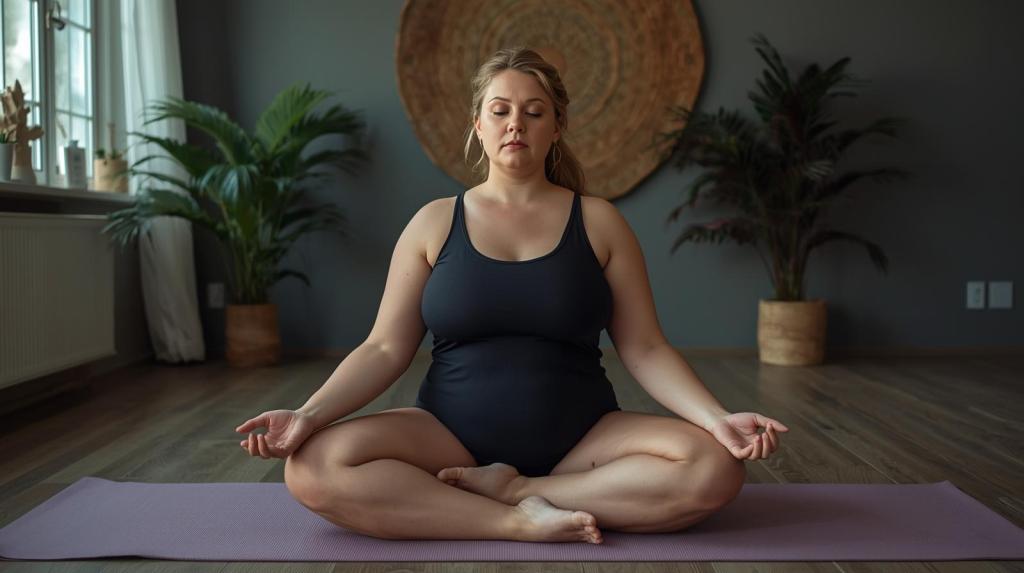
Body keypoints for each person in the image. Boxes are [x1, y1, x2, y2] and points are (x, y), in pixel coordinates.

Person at [235, 47, 789, 545]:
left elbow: (644, 348)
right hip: (448, 437)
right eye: (500, 110)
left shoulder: (599, 222)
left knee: (715, 466)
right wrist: (308, 415)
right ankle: (515, 521)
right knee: (311, 467)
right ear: (477, 124)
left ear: (556, 127)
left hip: (584, 438)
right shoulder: (433, 224)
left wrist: (717, 418)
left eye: (534, 111)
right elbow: (384, 348)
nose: (515, 124)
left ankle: (513, 490)